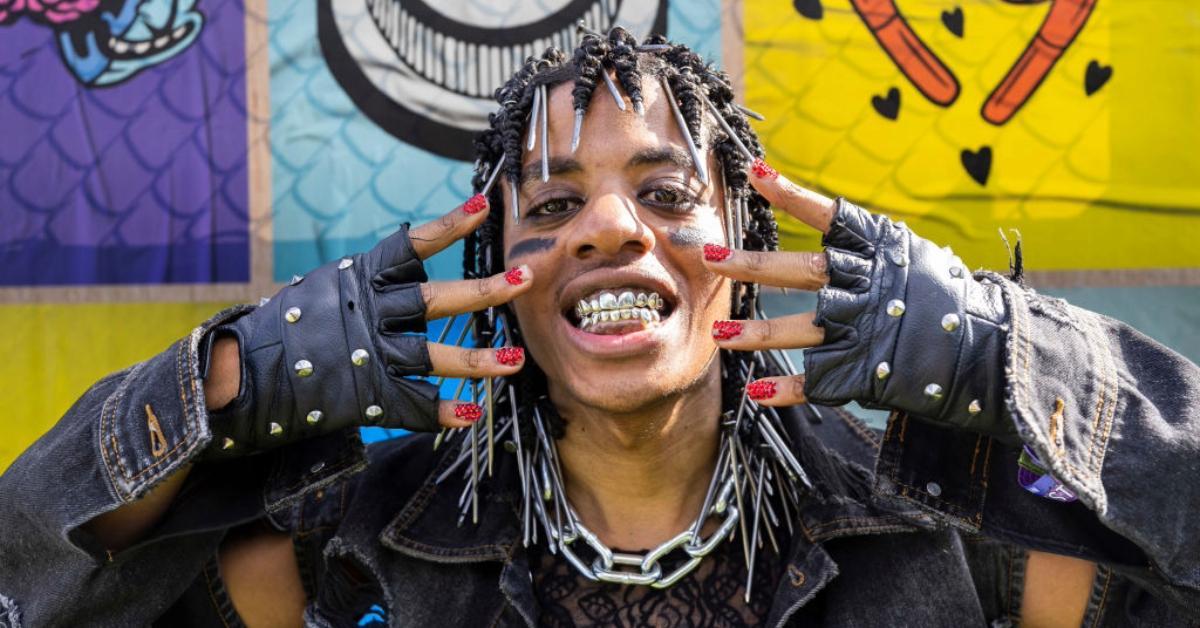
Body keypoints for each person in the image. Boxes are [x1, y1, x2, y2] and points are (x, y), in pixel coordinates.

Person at [1, 28, 1198, 627]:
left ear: (748, 258)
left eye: (670, 194)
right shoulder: (341, 559)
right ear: (499, 273)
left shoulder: (962, 543)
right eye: (557, 204)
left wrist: (1017, 359)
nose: (610, 228)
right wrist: (223, 386)